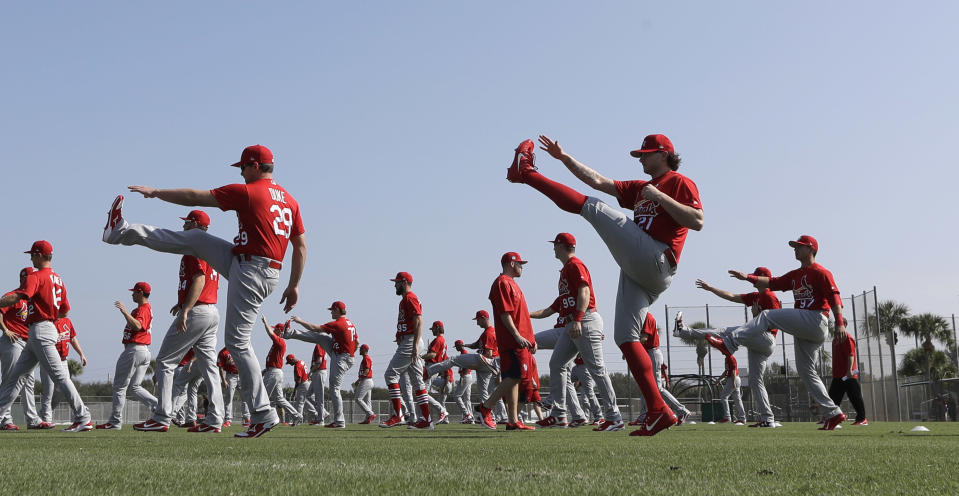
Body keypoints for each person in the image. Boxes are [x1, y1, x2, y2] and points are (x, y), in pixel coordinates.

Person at [102, 144, 307, 438]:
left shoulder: (250, 191)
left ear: (254, 166)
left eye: (242, 168)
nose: (241, 172)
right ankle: (120, 231)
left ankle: (263, 413)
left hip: (252, 270)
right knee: (196, 239)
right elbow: (299, 246)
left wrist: (156, 192)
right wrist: (294, 284)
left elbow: (196, 197)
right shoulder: (290, 199)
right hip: (250, 263)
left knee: (237, 342)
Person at [510, 134, 703, 436]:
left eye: (646, 154)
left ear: (664, 154)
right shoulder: (640, 188)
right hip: (640, 269)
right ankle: (658, 410)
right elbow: (599, 180)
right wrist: (565, 158)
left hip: (657, 257)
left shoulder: (678, 182)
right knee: (625, 338)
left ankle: (527, 174)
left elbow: (698, 220)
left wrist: (661, 198)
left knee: (594, 208)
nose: (640, 159)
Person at [677, 235, 847, 430]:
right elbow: (774, 282)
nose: (795, 249)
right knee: (806, 372)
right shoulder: (794, 275)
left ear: (811, 249)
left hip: (816, 319)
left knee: (766, 315)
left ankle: (730, 343)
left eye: (799, 247)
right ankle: (833, 413)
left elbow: (835, 296)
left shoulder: (820, 272)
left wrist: (840, 322)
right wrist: (748, 277)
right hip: (805, 327)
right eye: (795, 246)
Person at [134, 210, 225, 433]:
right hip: (212, 310)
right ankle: (215, 419)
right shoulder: (211, 249)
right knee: (208, 366)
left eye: (187, 223)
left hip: (198, 311)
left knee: (165, 361)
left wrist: (186, 309)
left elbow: (199, 279)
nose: (184, 227)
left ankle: (162, 416)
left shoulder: (194, 246)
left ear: (195, 224)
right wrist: (183, 302)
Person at [528, 232, 624, 431]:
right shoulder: (565, 269)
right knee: (557, 363)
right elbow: (550, 309)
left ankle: (614, 417)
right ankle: (559, 415)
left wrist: (578, 319)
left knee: (597, 369)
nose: (553, 248)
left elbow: (585, 292)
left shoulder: (575, 265)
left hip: (585, 319)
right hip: (573, 323)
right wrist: (524, 315)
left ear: (562, 246)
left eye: (555, 245)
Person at [0, 241, 92, 432]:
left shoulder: (35, 276)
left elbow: (20, 296)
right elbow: (65, 312)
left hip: (41, 331)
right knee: (16, 378)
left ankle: (83, 417)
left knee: (60, 376)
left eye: (33, 255)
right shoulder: (58, 278)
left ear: (40, 255)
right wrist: (48, 315)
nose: (31, 258)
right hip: (43, 329)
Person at [677, 267, 781, 427]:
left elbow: (774, 321)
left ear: (762, 278)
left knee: (726, 332)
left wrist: (756, 317)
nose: (753, 278)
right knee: (756, 382)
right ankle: (768, 419)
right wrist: (711, 288)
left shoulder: (769, 296)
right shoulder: (756, 296)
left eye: (755, 276)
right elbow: (732, 296)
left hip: (766, 338)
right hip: (759, 343)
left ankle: (685, 331)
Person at [475, 252, 537, 431]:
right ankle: (485, 407)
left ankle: (512, 420)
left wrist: (530, 339)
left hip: (521, 340)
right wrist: (517, 335)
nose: (522, 266)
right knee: (515, 376)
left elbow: (522, 316)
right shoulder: (502, 283)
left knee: (514, 378)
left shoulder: (513, 284)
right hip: (512, 340)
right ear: (511, 263)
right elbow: (505, 314)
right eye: (519, 263)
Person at [287, 301, 358, 428]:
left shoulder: (338, 323)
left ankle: (339, 421)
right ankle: (290, 333)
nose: (331, 312)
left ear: (337, 309)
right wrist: (351, 353)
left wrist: (300, 321)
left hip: (341, 357)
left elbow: (314, 328)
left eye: (332, 310)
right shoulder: (350, 323)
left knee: (334, 389)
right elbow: (357, 341)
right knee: (321, 336)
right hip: (343, 354)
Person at [379, 272, 436, 429]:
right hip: (410, 340)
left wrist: (414, 345)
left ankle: (398, 416)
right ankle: (426, 420)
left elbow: (419, 321)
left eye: (397, 282)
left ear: (404, 282)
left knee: (390, 375)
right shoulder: (405, 299)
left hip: (411, 341)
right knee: (418, 382)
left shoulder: (410, 298)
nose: (395, 285)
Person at [99, 282, 159, 429]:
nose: (132, 294)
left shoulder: (143, 309)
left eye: (134, 292)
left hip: (135, 349)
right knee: (134, 387)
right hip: (143, 351)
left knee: (120, 386)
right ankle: (160, 407)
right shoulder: (142, 309)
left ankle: (115, 421)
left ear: (140, 293)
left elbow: (138, 326)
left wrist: (124, 312)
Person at [0, 267, 42, 430]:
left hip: (27, 342)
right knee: (10, 379)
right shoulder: (13, 295)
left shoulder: (31, 298)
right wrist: (5, 329)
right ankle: (5, 419)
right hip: (12, 341)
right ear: (25, 279)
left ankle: (32, 419)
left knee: (28, 382)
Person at [632, 313, 691, 426]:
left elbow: (644, 338)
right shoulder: (641, 317)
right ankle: (646, 416)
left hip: (652, 352)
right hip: (648, 353)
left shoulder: (647, 317)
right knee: (647, 386)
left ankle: (682, 411)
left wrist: (632, 349)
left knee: (657, 388)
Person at [38, 317, 87, 428]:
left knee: (61, 391)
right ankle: (47, 420)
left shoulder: (67, 321)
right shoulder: (48, 322)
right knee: (48, 391)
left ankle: (41, 415)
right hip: (48, 361)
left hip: (63, 360)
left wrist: (81, 354)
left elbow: (73, 339)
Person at [462, 310, 507, 423]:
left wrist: (476, 364)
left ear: (483, 318)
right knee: (494, 392)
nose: (477, 323)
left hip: (488, 364)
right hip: (493, 364)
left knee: (484, 392)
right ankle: (502, 416)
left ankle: (489, 416)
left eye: (478, 320)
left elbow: (488, 354)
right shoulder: (487, 332)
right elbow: (476, 344)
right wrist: (465, 345)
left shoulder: (488, 333)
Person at [260, 317, 302, 425]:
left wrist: (266, 323)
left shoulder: (280, 342)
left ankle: (264, 419)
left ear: (279, 331)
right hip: (273, 371)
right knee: (279, 398)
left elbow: (270, 333)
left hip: (274, 373)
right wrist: (267, 369)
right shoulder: (277, 343)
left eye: (275, 329)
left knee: (263, 395)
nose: (273, 330)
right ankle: (297, 416)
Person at [830, 327, 867, 426]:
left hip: (848, 375)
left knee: (855, 398)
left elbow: (851, 355)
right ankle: (833, 419)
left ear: (844, 325)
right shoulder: (835, 340)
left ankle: (862, 419)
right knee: (833, 398)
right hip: (838, 376)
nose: (836, 327)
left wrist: (850, 370)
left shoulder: (847, 338)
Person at [421, 321, 451, 424]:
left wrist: (419, 356)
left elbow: (432, 355)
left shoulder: (438, 340)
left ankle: (441, 410)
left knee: (422, 392)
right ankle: (424, 417)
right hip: (434, 368)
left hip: (432, 367)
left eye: (433, 328)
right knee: (422, 393)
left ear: (437, 327)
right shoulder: (442, 340)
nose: (432, 330)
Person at [217, 346, 246, 427]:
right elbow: (220, 367)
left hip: (241, 375)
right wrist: (223, 380)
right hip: (230, 376)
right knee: (229, 398)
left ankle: (247, 419)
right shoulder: (223, 352)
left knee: (245, 398)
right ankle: (228, 420)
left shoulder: (239, 348)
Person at [286, 354, 319, 424]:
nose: (290, 364)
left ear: (292, 359)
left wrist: (295, 390)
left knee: (300, 403)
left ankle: (298, 420)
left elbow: (299, 380)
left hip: (303, 384)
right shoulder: (301, 362)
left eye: (290, 362)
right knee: (305, 402)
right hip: (307, 382)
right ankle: (316, 414)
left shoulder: (297, 365)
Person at [716, 351, 745, 424]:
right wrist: (719, 380)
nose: (721, 350)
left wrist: (734, 382)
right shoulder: (727, 358)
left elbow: (733, 371)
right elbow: (726, 371)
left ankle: (727, 417)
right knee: (737, 399)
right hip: (734, 379)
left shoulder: (731, 358)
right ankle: (742, 418)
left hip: (733, 378)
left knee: (723, 397)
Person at [451, 340, 475, 423]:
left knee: (457, 396)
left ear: (460, 345)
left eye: (457, 346)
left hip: (465, 376)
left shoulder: (464, 353)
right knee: (467, 399)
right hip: (468, 376)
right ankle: (471, 418)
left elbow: (467, 366)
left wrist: (462, 377)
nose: (456, 348)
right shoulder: (463, 353)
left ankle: (466, 415)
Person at [352, 344, 376, 424]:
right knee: (367, 401)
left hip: (366, 380)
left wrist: (359, 380)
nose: (359, 350)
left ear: (364, 350)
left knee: (358, 399)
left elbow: (367, 370)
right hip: (367, 380)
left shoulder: (366, 358)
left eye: (361, 349)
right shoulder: (365, 358)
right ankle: (367, 419)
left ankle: (370, 414)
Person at [309, 343, 329, 424]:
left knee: (319, 398)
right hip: (318, 372)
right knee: (308, 395)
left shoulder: (319, 345)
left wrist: (311, 371)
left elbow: (319, 361)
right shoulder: (320, 345)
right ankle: (323, 413)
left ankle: (320, 420)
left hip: (319, 371)